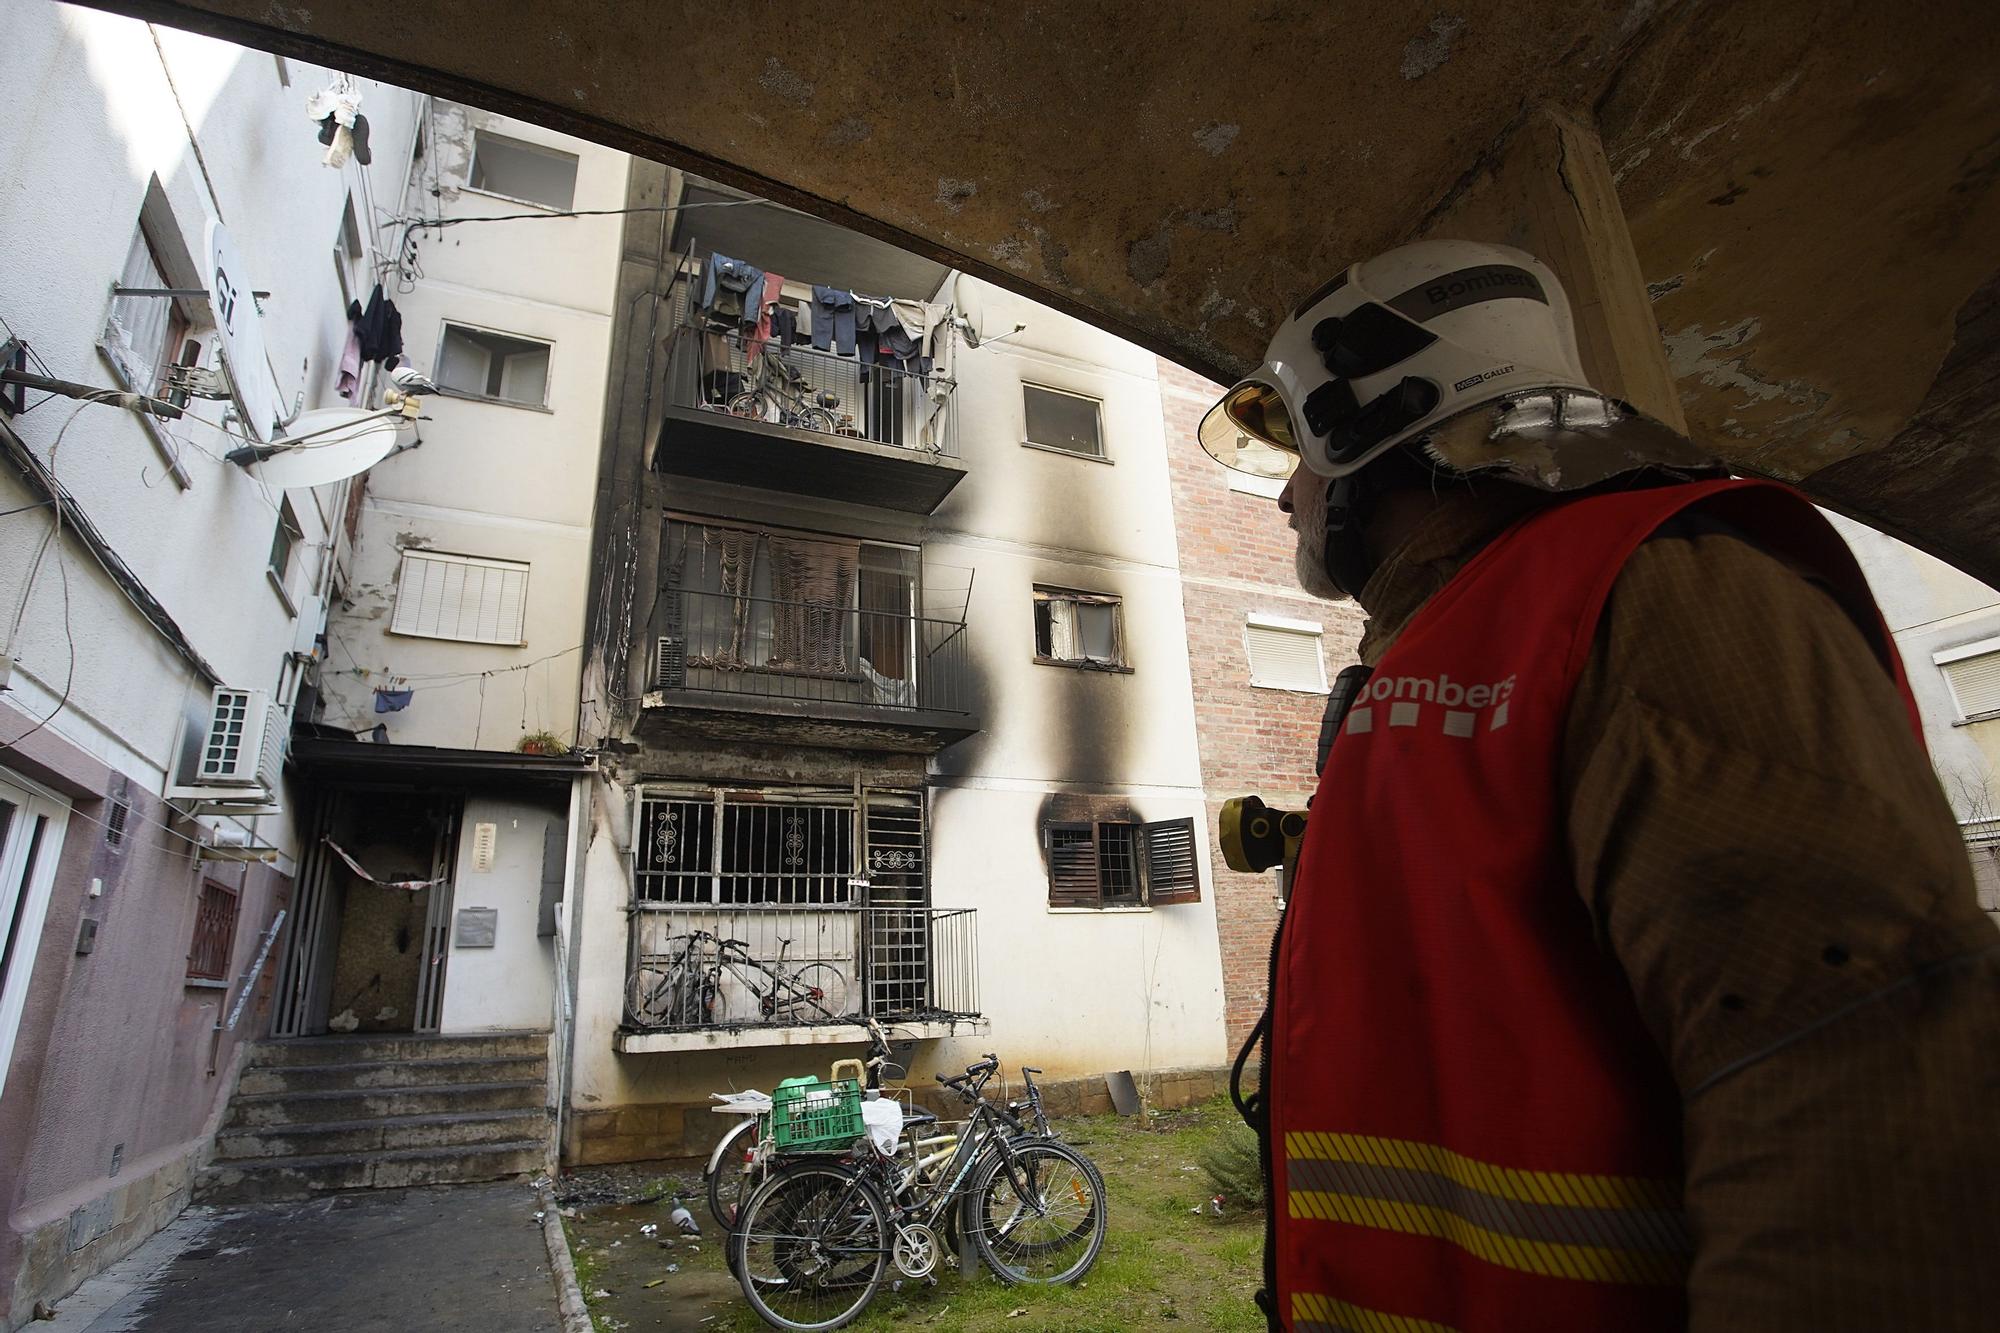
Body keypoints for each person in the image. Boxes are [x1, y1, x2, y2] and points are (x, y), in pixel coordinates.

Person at [1199, 239, 2000, 1333]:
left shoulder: (1656, 596)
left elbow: (1860, 1096)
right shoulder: (1440, 646)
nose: (1287, 493)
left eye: (1301, 452)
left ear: (1373, 433)